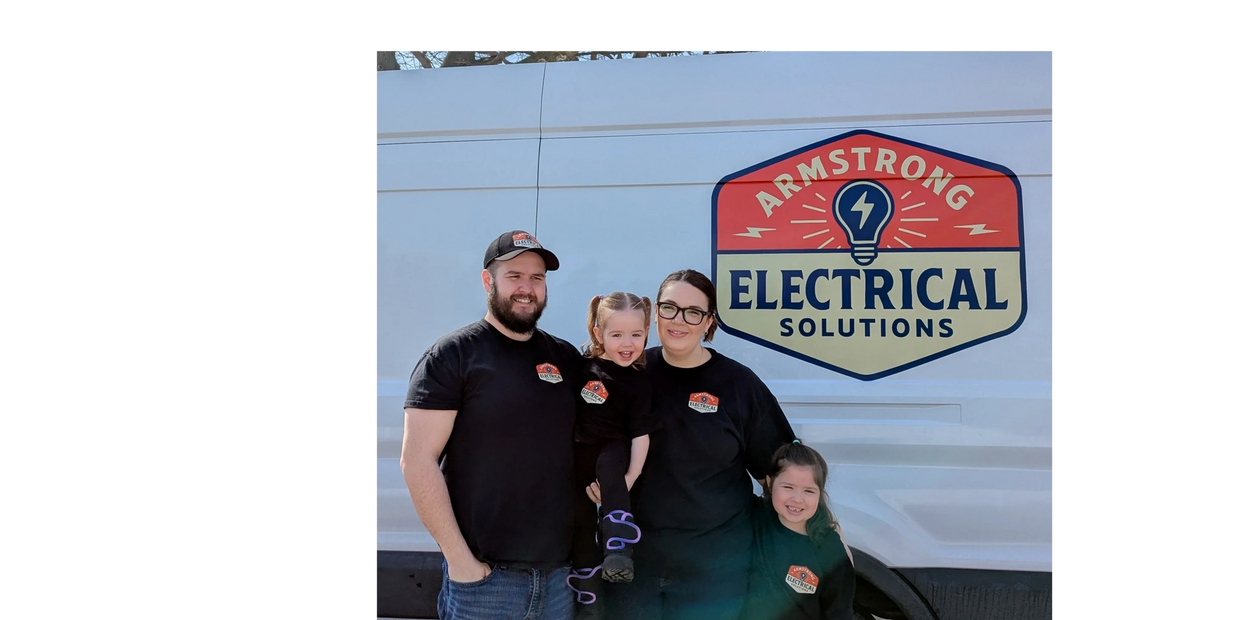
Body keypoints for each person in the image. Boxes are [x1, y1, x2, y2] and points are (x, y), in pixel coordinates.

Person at [592, 268, 796, 620]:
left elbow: (783, 474)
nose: (679, 320)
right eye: (669, 308)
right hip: (631, 569)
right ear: (655, 312)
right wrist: (594, 482)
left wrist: (826, 534)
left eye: (693, 312)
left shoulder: (738, 386)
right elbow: (586, 433)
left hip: (715, 575)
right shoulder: (625, 373)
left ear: (709, 322)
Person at [400, 230, 581, 620]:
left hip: (559, 580)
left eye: (537, 278)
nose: (527, 288)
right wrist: (462, 564)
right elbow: (417, 462)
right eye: (514, 276)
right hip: (485, 584)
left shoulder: (566, 358)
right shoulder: (452, 356)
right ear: (488, 280)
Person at [566, 292, 663, 619]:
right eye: (617, 334)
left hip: (614, 450)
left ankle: (619, 547)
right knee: (580, 522)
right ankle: (589, 599)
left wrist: (627, 479)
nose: (628, 343)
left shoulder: (638, 382)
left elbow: (641, 434)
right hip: (579, 451)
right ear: (598, 334)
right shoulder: (582, 368)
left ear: (647, 331)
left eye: (636, 335)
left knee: (610, 463)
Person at [743, 440, 856, 620]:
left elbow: (839, 611)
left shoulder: (829, 548)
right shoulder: (754, 519)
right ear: (771, 484)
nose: (797, 499)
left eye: (809, 491)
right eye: (788, 487)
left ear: (820, 494)